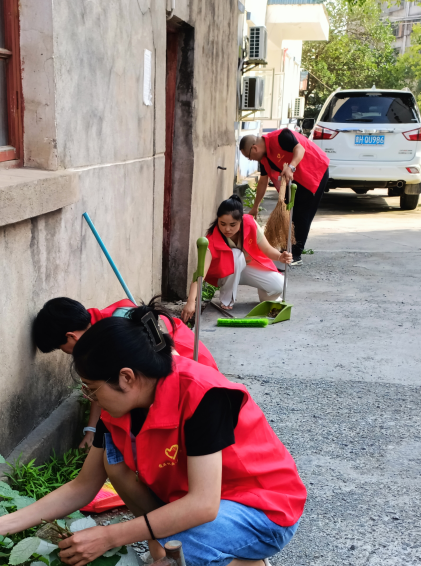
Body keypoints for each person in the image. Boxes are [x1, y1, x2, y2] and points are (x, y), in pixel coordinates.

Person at [0, 307, 306, 566]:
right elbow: (82, 486)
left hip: (262, 509)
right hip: (195, 500)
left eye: (92, 389)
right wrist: (0, 525)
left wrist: (109, 537)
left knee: (166, 548)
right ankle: (175, 556)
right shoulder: (120, 407)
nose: (89, 397)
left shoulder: (202, 394)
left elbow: (204, 505)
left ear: (126, 377)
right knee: (116, 465)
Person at [34, 296, 218, 446]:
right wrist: (93, 430)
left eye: (60, 348)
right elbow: (102, 386)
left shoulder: (113, 334)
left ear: (71, 337)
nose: (66, 353)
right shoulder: (98, 325)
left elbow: (172, 365)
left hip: (192, 371)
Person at [183, 196, 289, 319]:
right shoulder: (210, 240)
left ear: (241, 221)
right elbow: (201, 273)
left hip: (246, 268)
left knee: (280, 285)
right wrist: (191, 301)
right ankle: (227, 300)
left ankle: (265, 297)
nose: (227, 229)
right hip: (224, 275)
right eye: (222, 224)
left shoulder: (250, 223)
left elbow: (267, 249)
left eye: (233, 224)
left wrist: (280, 256)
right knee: (236, 254)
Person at [240, 128, 330, 264]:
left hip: (315, 171)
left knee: (302, 214)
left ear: (254, 148)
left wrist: (291, 167)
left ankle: (295, 254)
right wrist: (255, 206)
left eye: (248, 156)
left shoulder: (281, 136)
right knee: (288, 214)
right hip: (295, 179)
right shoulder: (264, 159)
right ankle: (286, 251)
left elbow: (300, 149)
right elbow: (263, 182)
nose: (250, 159)